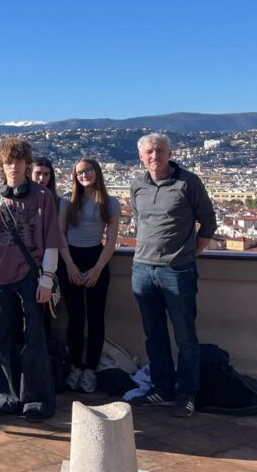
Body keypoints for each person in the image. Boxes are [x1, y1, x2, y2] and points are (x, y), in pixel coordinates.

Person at [128, 133, 217, 418]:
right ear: (141, 156)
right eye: (149, 152)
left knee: (185, 336)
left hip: (177, 270)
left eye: (160, 151)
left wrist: (191, 254)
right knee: (153, 334)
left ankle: (186, 393)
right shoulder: (136, 184)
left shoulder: (188, 182)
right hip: (142, 268)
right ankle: (161, 388)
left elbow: (209, 221)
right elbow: (141, 222)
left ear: (170, 153)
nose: (155, 156)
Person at [0, 138, 62, 422]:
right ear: (1, 166)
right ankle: (5, 395)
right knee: (2, 338)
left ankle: (36, 398)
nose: (13, 167)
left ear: (27, 164)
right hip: (1, 278)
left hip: (32, 276)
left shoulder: (42, 197)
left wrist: (47, 280)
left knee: (34, 339)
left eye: (17, 161)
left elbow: (52, 241)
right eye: (8, 162)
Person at [58, 158, 119, 394]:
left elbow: (111, 241)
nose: (84, 175)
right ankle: (75, 365)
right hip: (70, 258)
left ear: (97, 172)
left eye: (88, 170)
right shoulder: (67, 201)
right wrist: (70, 266)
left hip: (96, 258)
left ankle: (90, 369)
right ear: (74, 175)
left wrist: (97, 269)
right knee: (75, 318)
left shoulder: (109, 202)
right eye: (80, 172)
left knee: (95, 319)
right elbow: (60, 235)